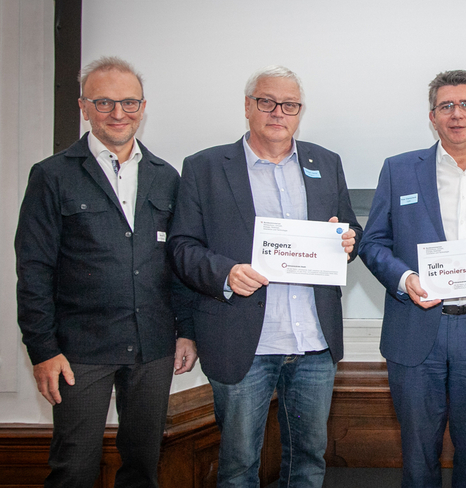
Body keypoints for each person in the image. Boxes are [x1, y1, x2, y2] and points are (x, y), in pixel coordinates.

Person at [166, 65, 362, 488]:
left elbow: (349, 228)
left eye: (289, 105)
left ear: (299, 111)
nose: (278, 112)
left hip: (313, 341)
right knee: (238, 467)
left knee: (308, 461)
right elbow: (181, 246)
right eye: (267, 102)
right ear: (247, 106)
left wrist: (348, 241)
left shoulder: (326, 163)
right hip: (242, 342)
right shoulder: (205, 167)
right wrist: (225, 273)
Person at [14, 56, 197, 488]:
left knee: (142, 464)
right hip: (80, 350)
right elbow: (34, 268)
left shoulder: (166, 177)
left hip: (153, 347)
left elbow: (179, 261)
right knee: (74, 467)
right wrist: (42, 348)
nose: (119, 114)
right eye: (104, 103)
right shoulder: (52, 176)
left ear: (143, 106)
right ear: (83, 106)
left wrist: (186, 330)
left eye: (129, 103)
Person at [359, 70, 466, 488]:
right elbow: (373, 243)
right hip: (417, 328)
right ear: (433, 117)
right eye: (446, 106)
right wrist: (404, 279)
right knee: (418, 453)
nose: (457, 114)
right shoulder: (399, 170)